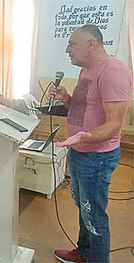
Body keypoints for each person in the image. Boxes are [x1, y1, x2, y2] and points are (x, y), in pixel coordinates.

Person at [50, 25, 132, 263]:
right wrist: (66, 99)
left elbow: (115, 123)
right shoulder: (86, 69)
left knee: (94, 216)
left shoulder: (113, 71)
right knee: (84, 209)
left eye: (72, 43)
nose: (67, 50)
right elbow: (84, 106)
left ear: (91, 43)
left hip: (96, 157)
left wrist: (85, 137)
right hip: (79, 151)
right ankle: (84, 253)